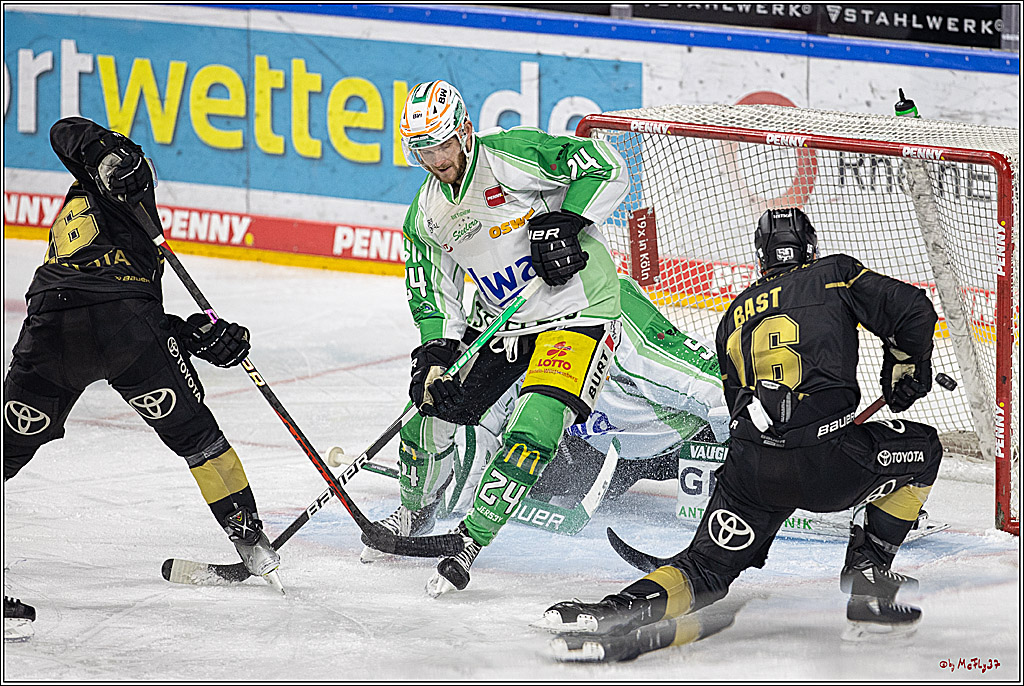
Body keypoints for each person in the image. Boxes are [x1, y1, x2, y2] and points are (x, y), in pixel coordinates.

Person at [538, 207, 942, 639]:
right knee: (926, 449)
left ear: (761, 259)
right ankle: (869, 577)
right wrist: (905, 366)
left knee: (704, 569)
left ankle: (617, 609)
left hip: (751, 472)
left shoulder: (733, 313)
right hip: (831, 463)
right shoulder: (834, 274)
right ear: (810, 248)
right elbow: (914, 310)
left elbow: (736, 405)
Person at [3, 118, 281, 635]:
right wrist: (112, 157)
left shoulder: (101, 216)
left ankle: (248, 538)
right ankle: (249, 537)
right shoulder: (119, 178)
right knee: (199, 437)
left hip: (58, 328)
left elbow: (128, 307)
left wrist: (195, 335)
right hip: (120, 329)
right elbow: (66, 130)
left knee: (6, 449)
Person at [359, 80, 629, 596]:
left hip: (577, 313)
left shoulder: (511, 155)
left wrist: (565, 221)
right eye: (422, 150)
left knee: (534, 428)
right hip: (507, 325)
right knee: (433, 406)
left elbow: (605, 163)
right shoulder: (425, 214)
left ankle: (472, 539)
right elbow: (434, 290)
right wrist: (436, 353)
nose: (434, 159)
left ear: (462, 131)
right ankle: (415, 511)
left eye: (440, 144)